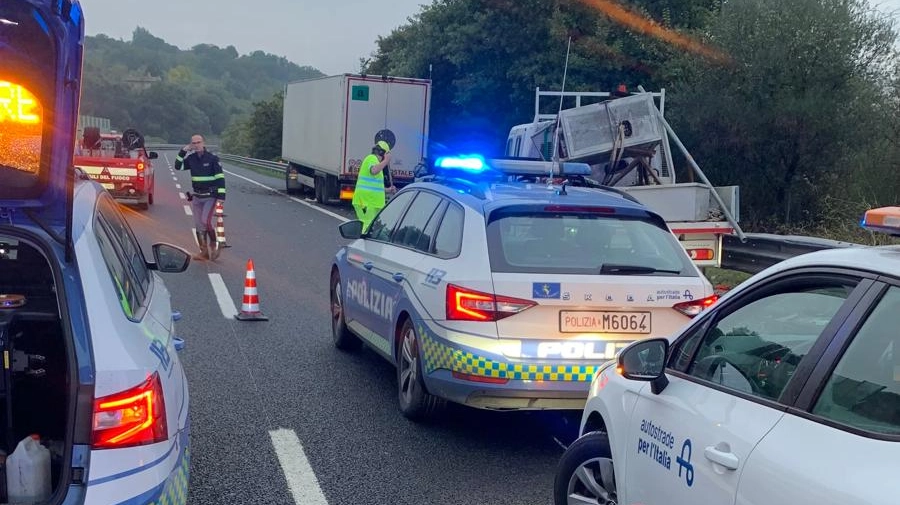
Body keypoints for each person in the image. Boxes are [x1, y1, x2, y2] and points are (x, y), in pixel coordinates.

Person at [174, 134, 226, 260]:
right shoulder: (191, 158)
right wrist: (182, 151)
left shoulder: (212, 159)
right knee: (198, 224)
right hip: (197, 196)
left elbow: (220, 178)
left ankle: (214, 244)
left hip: (210, 196)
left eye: (198, 142)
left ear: (203, 143)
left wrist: (221, 197)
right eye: (194, 143)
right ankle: (204, 251)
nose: (196, 145)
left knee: (205, 221)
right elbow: (178, 166)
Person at [352, 140, 394, 232]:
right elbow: (373, 170)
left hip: (371, 202)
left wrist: (388, 190)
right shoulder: (371, 158)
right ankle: (362, 245)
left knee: (370, 227)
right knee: (367, 226)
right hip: (367, 202)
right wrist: (386, 161)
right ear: (383, 153)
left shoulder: (376, 162)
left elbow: (375, 186)